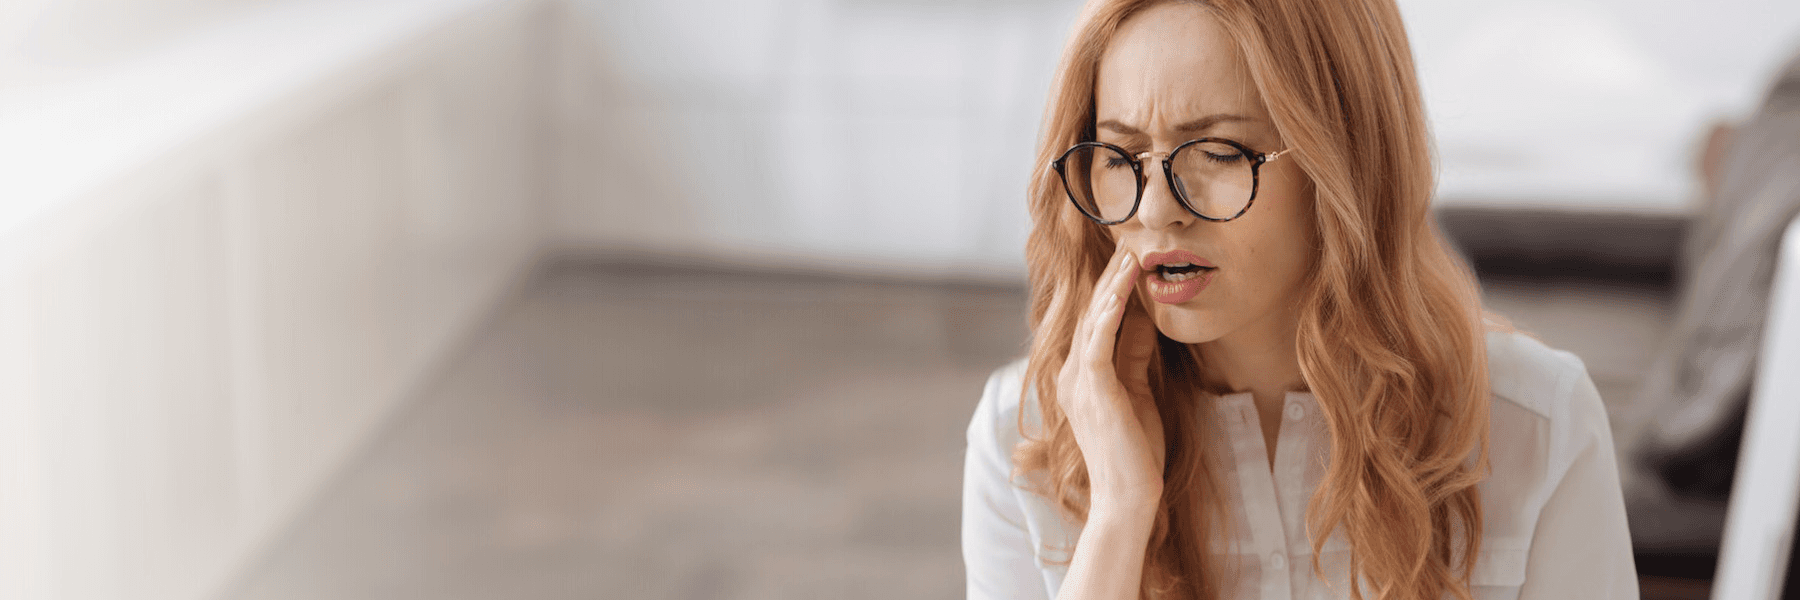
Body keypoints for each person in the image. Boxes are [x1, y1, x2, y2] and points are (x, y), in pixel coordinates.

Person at [959, 1, 1639, 599]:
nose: (1157, 212)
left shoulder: (1542, 428)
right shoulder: (1019, 439)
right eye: (1119, 158)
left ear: (1342, 163)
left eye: (1219, 153)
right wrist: (1118, 512)